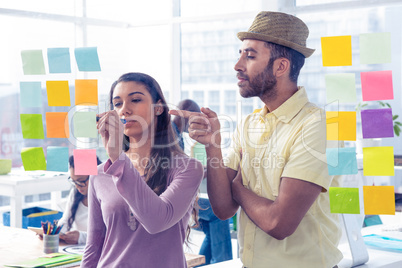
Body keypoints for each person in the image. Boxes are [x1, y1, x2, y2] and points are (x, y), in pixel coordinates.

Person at [170, 11, 343, 268]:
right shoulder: (249, 123)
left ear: (281, 66)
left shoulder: (317, 126)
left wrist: (238, 188)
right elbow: (223, 208)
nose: (237, 65)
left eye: (249, 56)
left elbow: (278, 223)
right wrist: (212, 145)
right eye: (240, 55)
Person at [81, 72, 204, 267]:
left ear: (158, 108)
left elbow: (156, 221)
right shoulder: (100, 174)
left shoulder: (187, 168)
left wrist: (117, 158)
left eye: (135, 100)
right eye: (117, 103)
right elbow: (93, 247)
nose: (124, 110)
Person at [172, 99, 233, 265]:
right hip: (177, 201)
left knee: (210, 226)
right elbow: (177, 174)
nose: (193, 125)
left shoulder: (175, 134)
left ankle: (206, 263)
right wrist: (201, 171)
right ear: (183, 112)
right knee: (218, 215)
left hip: (182, 198)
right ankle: (224, 263)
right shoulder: (172, 135)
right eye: (192, 118)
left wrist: (204, 170)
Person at [37, 155, 102, 244]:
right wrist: (52, 233)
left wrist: (81, 237)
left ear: (95, 176)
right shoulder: (76, 193)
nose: (77, 186)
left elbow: (110, 235)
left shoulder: (107, 197)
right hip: (77, 249)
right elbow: (66, 221)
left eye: (81, 181)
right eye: (74, 181)